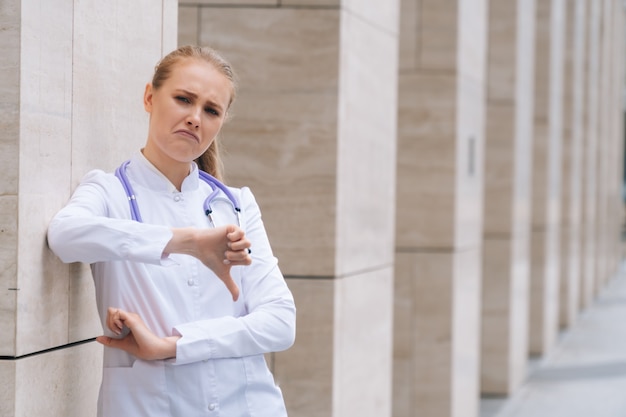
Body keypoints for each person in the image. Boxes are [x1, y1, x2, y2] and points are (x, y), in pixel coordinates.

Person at [47, 45, 296, 417]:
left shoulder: (236, 205)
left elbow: (280, 323)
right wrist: (187, 242)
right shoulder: (110, 192)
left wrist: (175, 346)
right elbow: (64, 236)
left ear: (221, 121)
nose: (195, 118)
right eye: (183, 99)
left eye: (211, 110)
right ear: (150, 97)